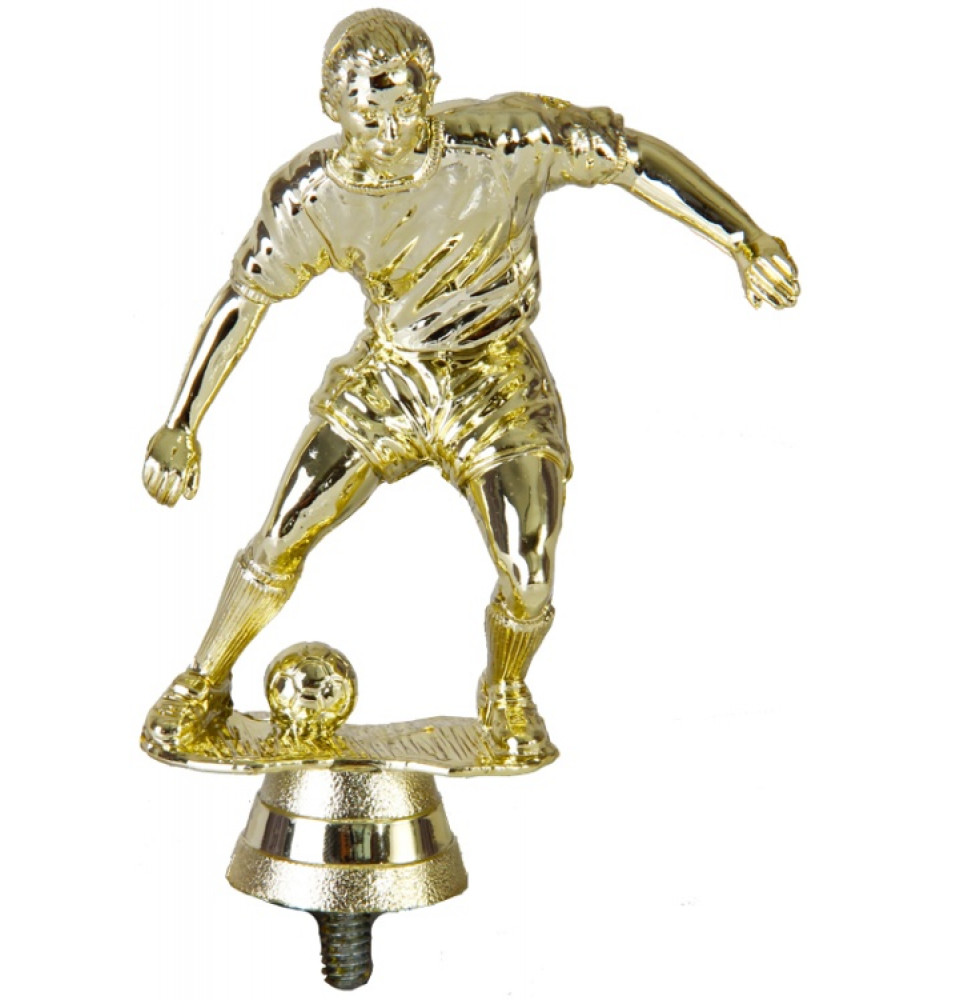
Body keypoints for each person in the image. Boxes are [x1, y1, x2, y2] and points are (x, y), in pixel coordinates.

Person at [142, 9, 799, 761]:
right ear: (330, 107)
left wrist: (745, 240)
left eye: (403, 102)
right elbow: (245, 299)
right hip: (391, 377)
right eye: (367, 111)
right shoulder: (312, 194)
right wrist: (181, 423)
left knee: (529, 572)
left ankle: (506, 690)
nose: (389, 127)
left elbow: (631, 157)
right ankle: (201, 682)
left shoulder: (503, 145)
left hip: (498, 378)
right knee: (286, 529)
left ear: (430, 91)